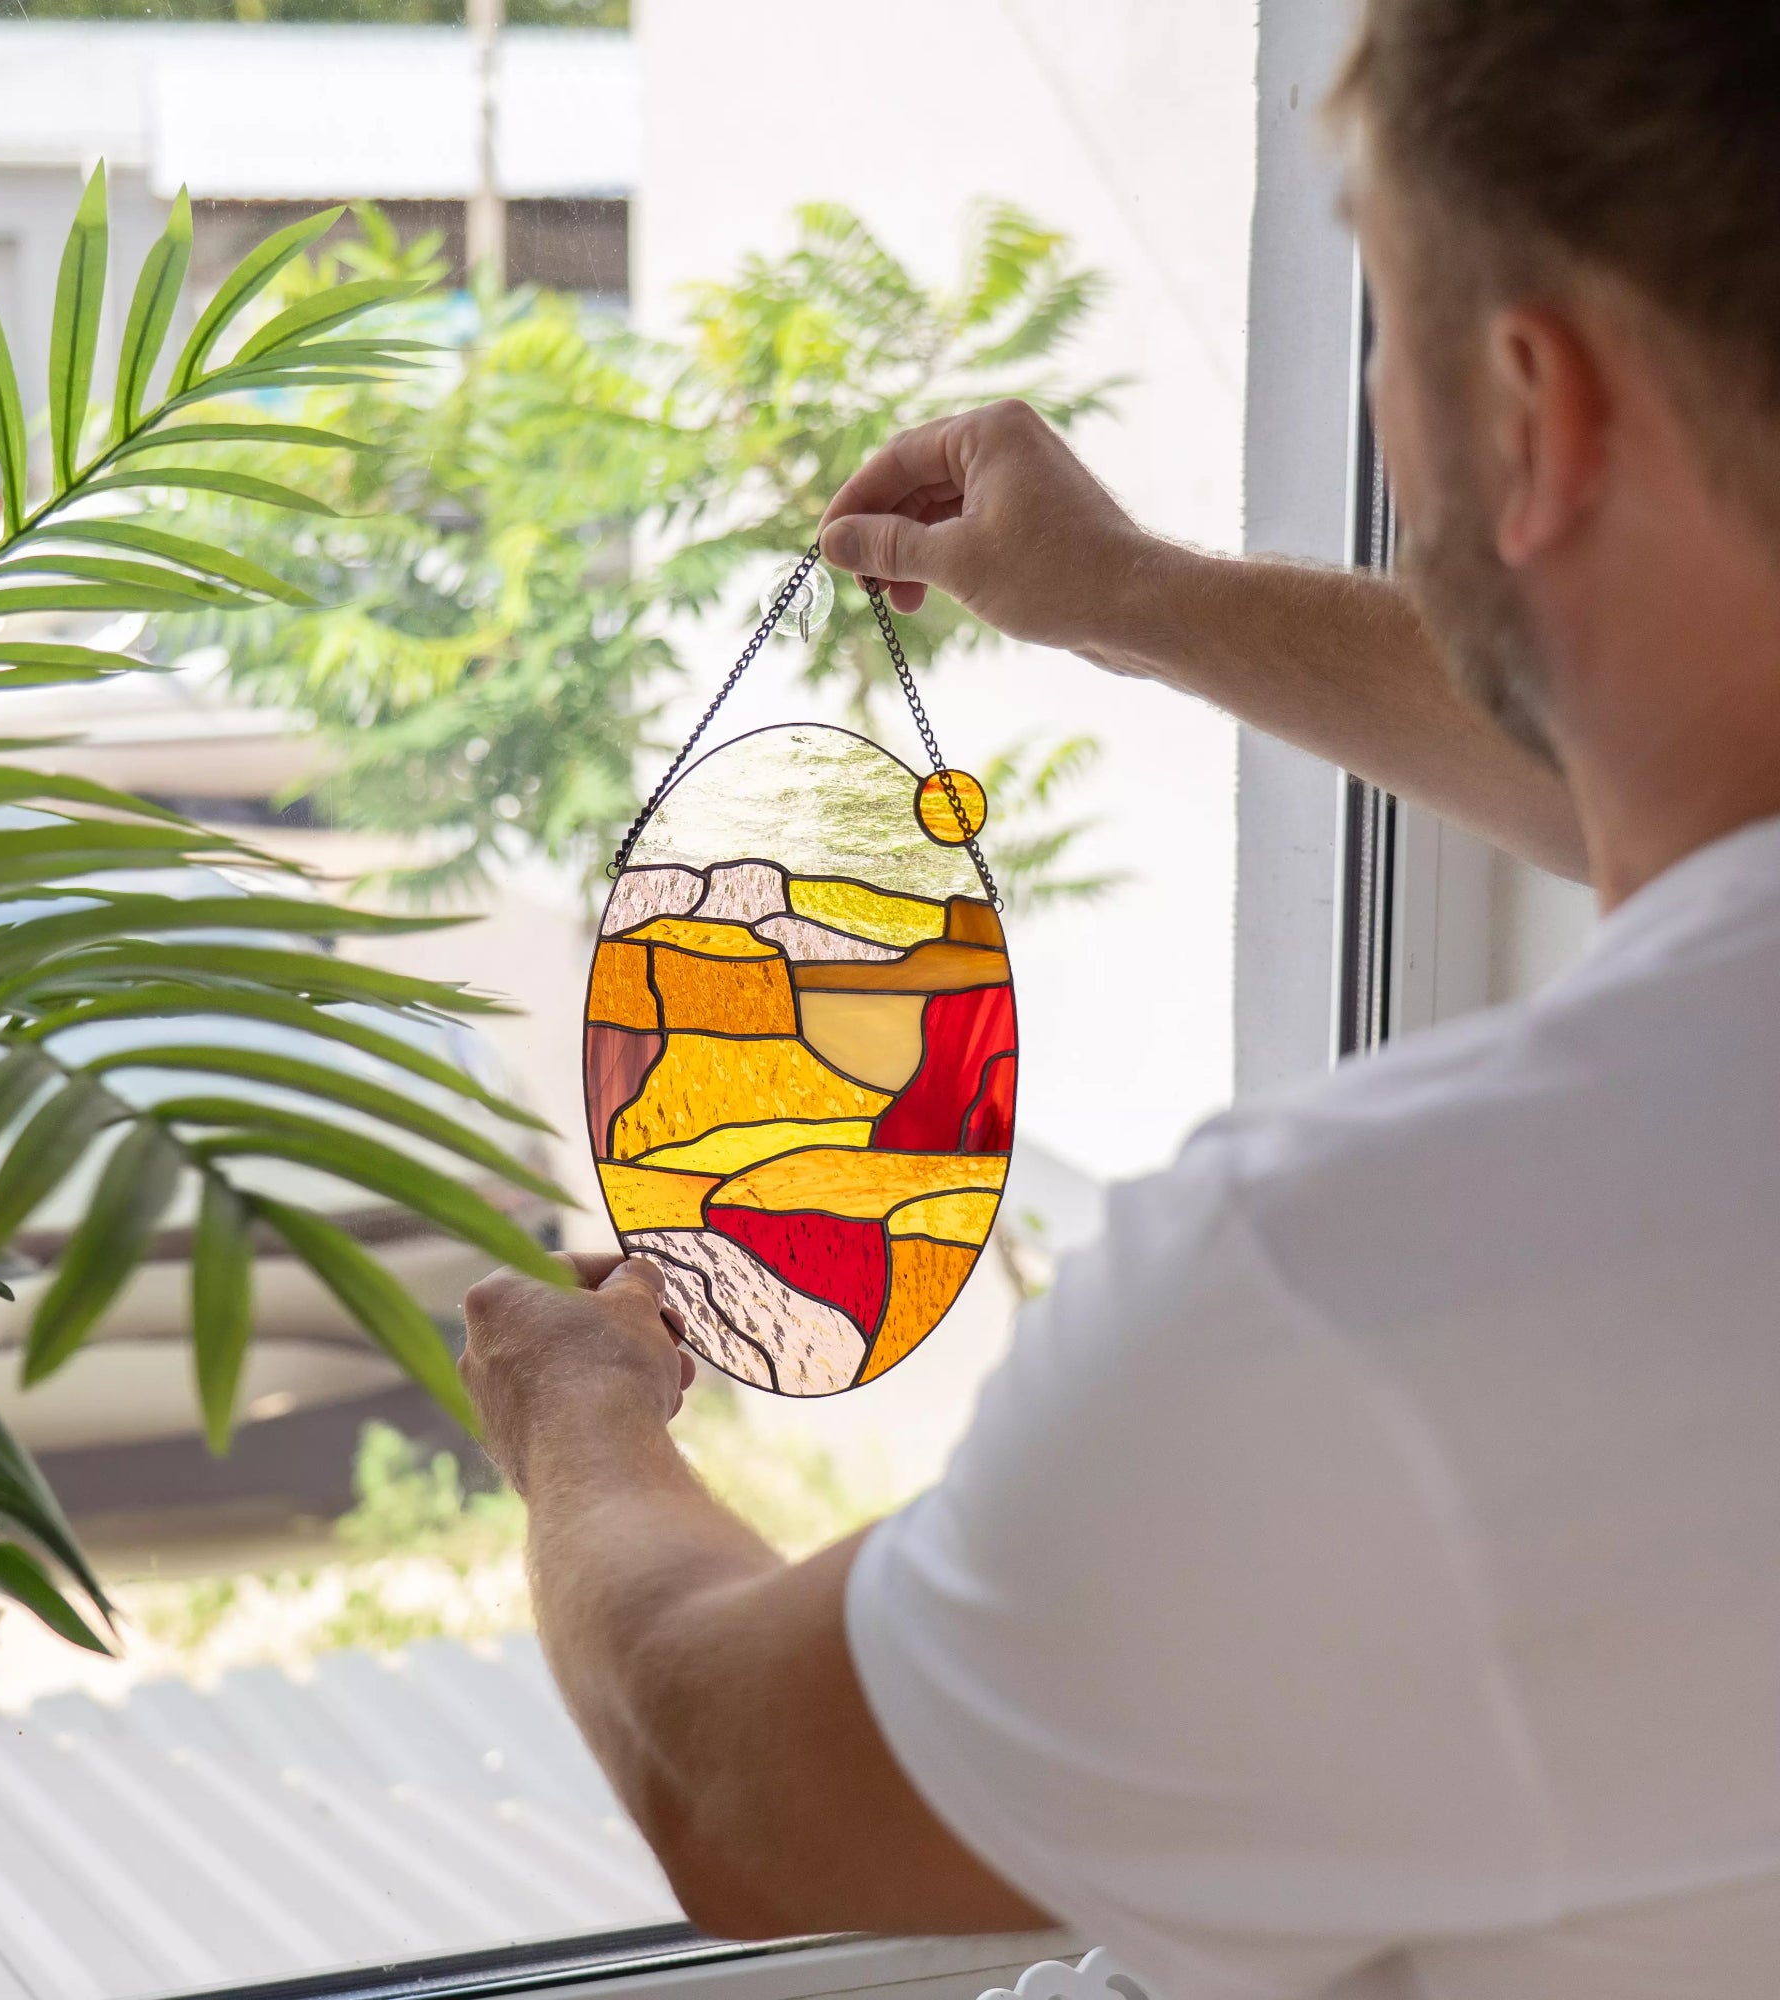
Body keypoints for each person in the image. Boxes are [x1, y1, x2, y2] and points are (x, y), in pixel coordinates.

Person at [461, 2, 1780, 1992]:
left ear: (1529, 408)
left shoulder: (1372, 1288)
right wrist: (1133, 593)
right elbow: (1636, 749)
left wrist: (579, 1419)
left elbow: (723, 1774)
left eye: (1382, 324)